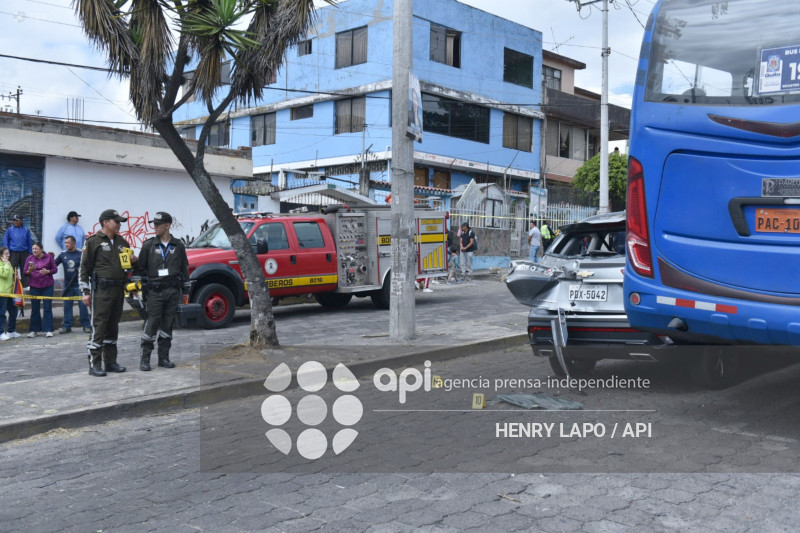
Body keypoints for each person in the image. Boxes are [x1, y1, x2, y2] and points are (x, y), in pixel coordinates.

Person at [80, 209, 137, 377]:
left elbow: (127, 267)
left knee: (113, 327)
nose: (119, 224)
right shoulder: (93, 242)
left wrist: (134, 262)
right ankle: (94, 364)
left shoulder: (122, 242)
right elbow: (84, 269)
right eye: (116, 221)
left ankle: (111, 362)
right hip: (101, 291)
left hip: (118, 290)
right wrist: (85, 291)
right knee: (99, 327)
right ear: (105, 222)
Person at [134, 212, 190, 371]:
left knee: (168, 325)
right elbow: (140, 269)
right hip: (155, 292)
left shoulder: (178, 245)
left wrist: (186, 290)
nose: (155, 227)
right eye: (154, 224)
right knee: (151, 324)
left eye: (158, 224)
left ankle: (163, 358)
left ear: (167, 225)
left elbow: (184, 269)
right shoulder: (148, 245)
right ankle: (145, 359)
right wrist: (136, 289)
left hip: (173, 291)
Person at [55, 235, 91, 334]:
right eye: (65, 242)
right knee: (67, 307)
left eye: (68, 242)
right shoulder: (62, 254)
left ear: (74, 243)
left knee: (83, 306)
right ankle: (67, 326)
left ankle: (86, 325)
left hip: (79, 285)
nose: (66, 244)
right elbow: (54, 265)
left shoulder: (81, 254)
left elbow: (88, 267)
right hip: (68, 285)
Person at [25, 242, 57, 338]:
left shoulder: (48, 257)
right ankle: (34, 330)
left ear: (41, 249)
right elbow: (25, 272)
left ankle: (48, 330)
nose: (34, 250)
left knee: (47, 308)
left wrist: (47, 271)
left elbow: (55, 269)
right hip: (34, 286)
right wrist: (30, 270)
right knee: (35, 308)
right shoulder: (29, 258)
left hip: (47, 285)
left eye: (36, 248)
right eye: (33, 248)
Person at [3, 214, 33, 286]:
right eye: (14, 220)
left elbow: (29, 241)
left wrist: (30, 252)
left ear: (21, 221)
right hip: (13, 253)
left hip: (24, 253)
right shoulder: (9, 230)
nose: (15, 221)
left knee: (25, 269)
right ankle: (12, 285)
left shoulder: (26, 230)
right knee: (12, 269)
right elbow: (5, 241)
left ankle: (25, 286)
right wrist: (7, 253)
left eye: (17, 220)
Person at [0, 247, 20, 341]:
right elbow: (3, 274)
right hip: (2, 293)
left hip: (10, 293)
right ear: (1, 256)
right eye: (6, 254)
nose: (8, 255)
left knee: (13, 311)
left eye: (9, 253)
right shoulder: (3, 264)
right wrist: (6, 264)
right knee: (2, 313)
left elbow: (11, 276)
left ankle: (11, 330)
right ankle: (0, 332)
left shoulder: (9, 263)